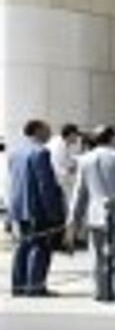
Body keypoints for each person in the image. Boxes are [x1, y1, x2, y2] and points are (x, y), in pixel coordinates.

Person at [70, 126, 115, 302]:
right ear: (112, 139)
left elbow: (79, 193)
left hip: (94, 211)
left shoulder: (85, 160)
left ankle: (101, 289)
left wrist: (73, 218)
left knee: (97, 253)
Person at [9, 120, 66, 297]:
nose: (50, 133)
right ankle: (35, 285)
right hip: (37, 208)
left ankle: (19, 285)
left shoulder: (15, 151)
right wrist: (55, 212)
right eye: (47, 130)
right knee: (40, 246)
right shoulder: (41, 152)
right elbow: (45, 185)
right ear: (38, 130)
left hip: (19, 207)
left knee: (23, 246)